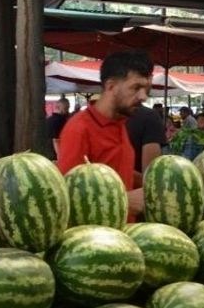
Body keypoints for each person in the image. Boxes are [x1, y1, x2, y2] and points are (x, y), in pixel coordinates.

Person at [56, 50, 152, 219]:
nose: (143, 97)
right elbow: (68, 197)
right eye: (136, 87)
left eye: (146, 89)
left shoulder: (120, 123)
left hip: (127, 235)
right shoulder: (78, 129)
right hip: (100, 239)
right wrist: (125, 200)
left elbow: (119, 171)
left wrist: (154, 183)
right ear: (111, 86)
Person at [126, 102, 167, 185]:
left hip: (134, 193)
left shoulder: (148, 117)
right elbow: (150, 180)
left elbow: (149, 179)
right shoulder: (149, 116)